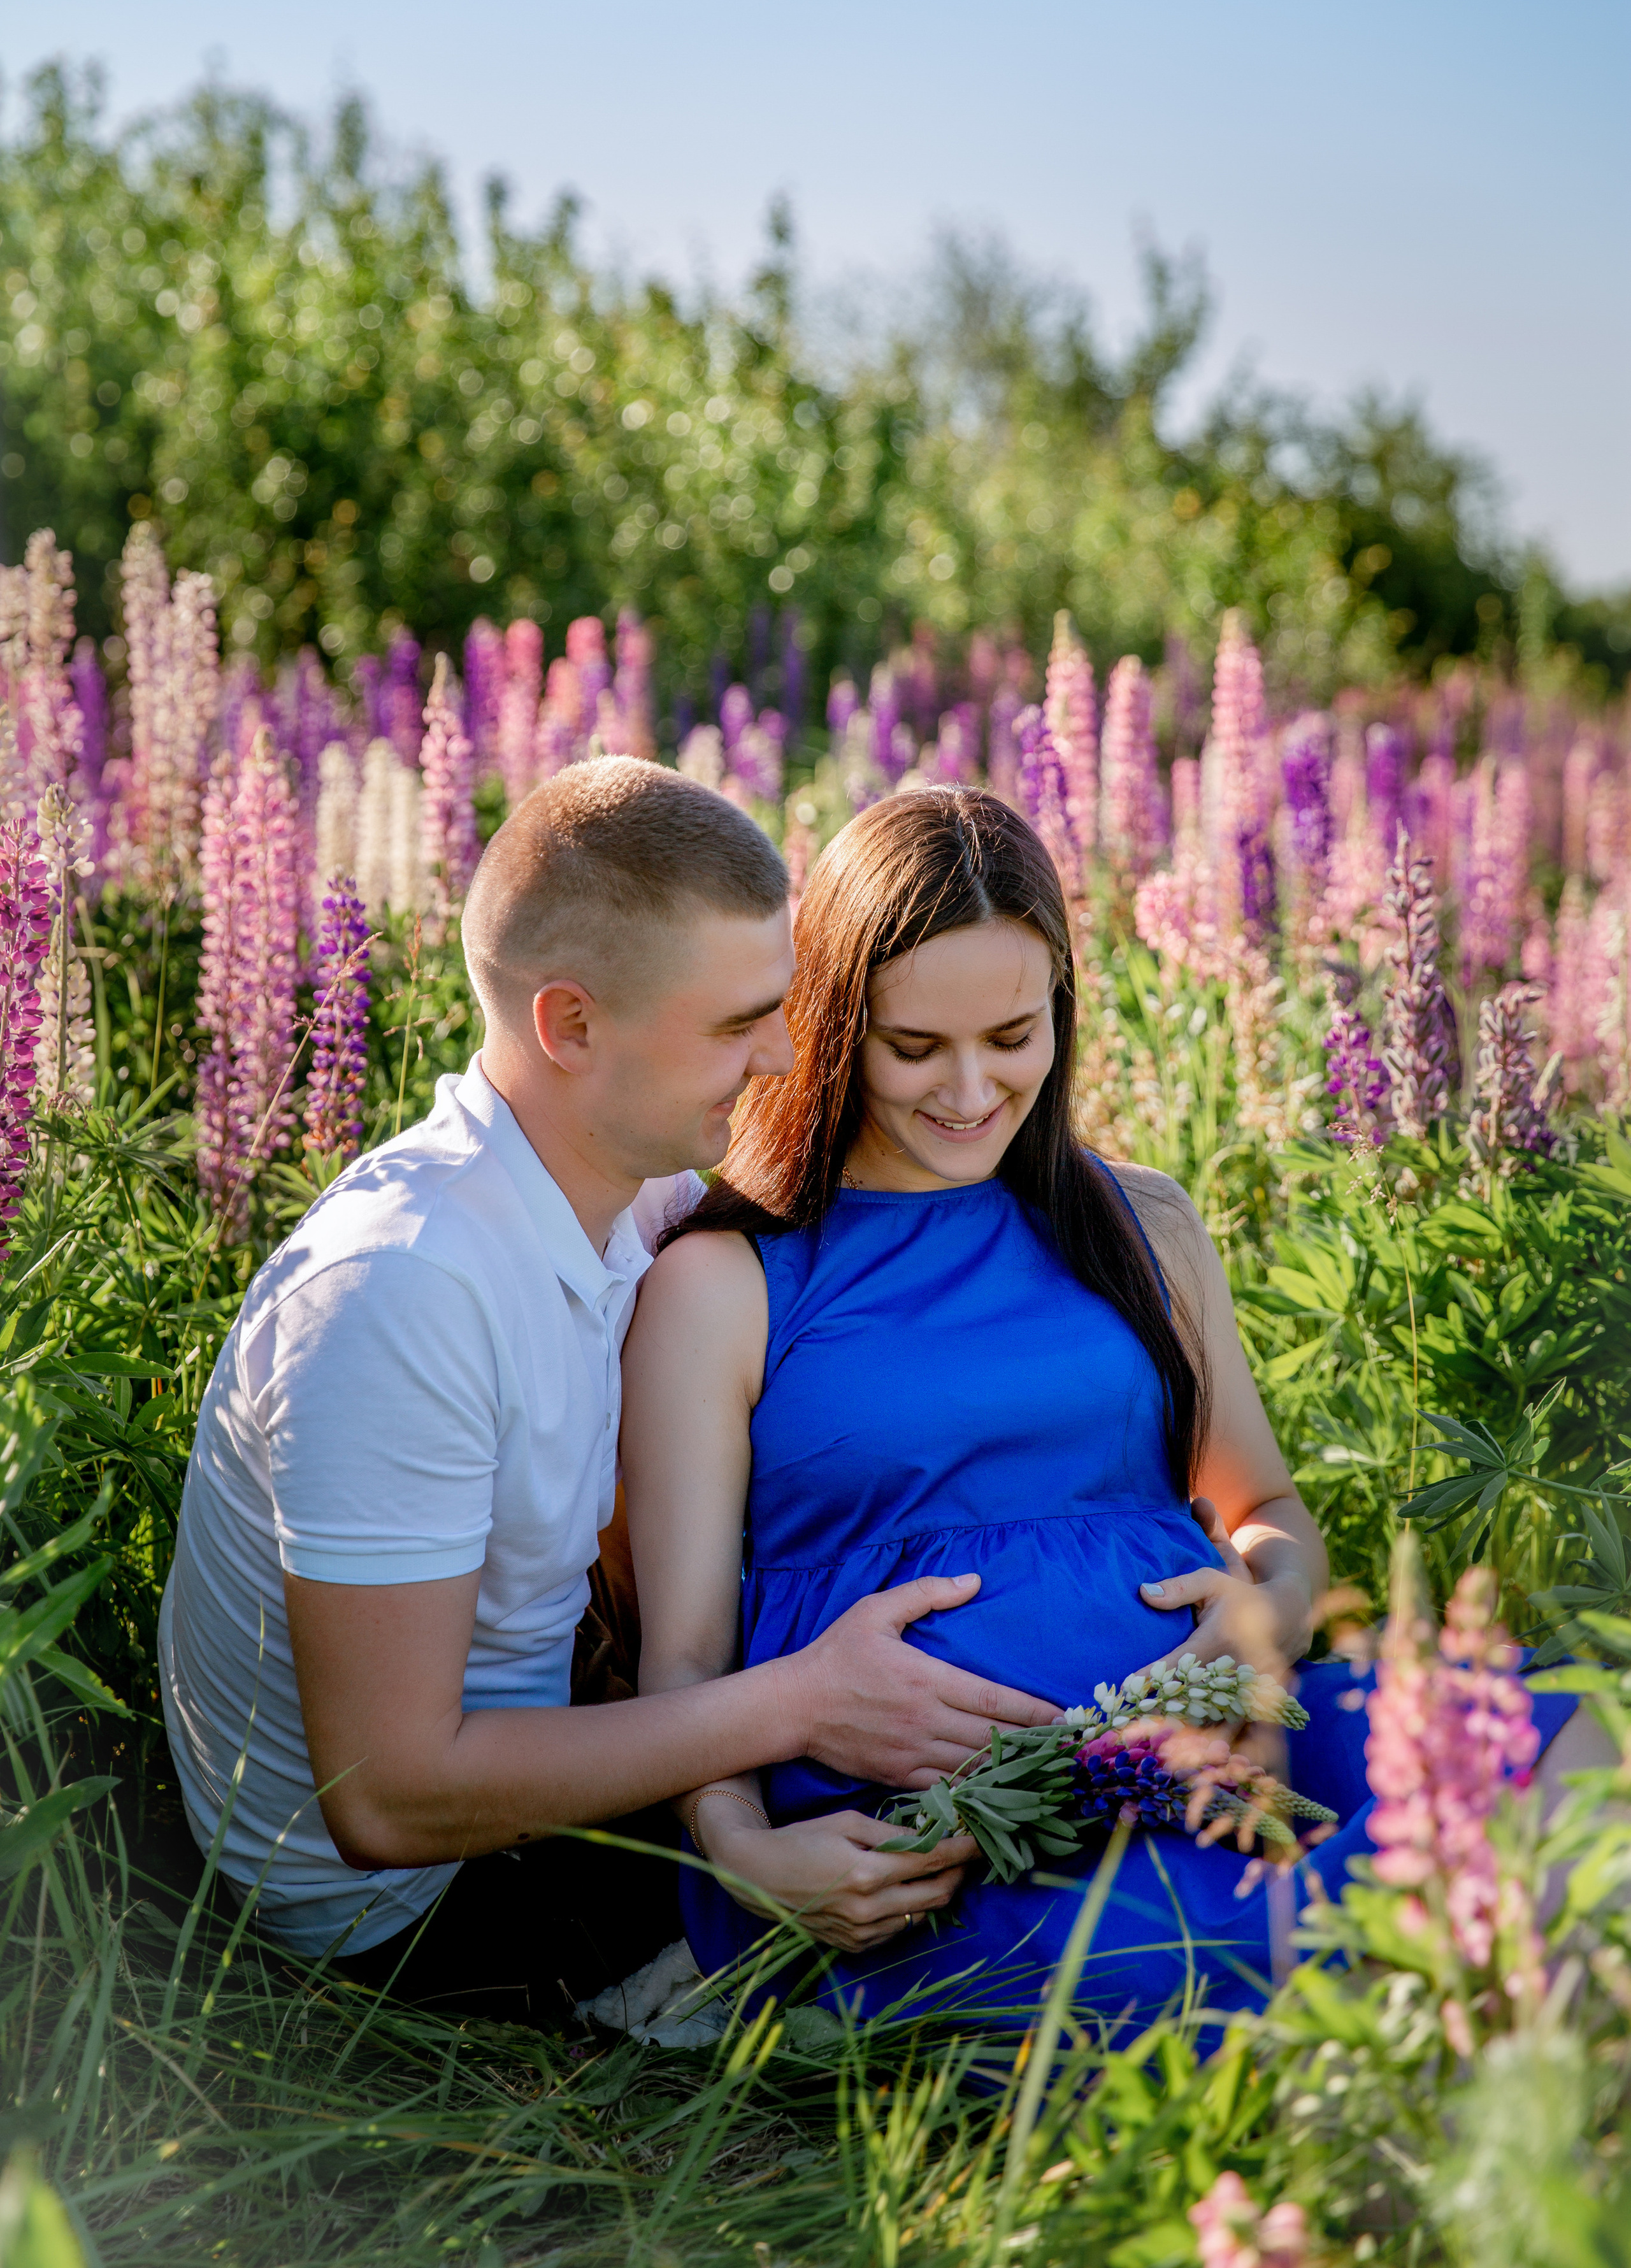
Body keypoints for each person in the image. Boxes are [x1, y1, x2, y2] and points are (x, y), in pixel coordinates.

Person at [622, 786, 1583, 2028]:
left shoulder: (1140, 1224)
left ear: (1061, 1011)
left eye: (1011, 1035)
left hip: (1223, 1741)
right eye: (915, 1046)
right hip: (937, 1837)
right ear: (832, 1023)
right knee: (1245, 1949)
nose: (970, 1087)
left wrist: (1263, 1615)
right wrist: (741, 1851)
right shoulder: (731, 1280)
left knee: (1577, 1752)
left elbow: (1267, 1510)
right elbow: (684, 1661)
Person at [159, 760, 1060, 2027]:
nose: (783, 1054)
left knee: (980, 1802)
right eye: (736, 1025)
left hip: (531, 1762)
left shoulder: (631, 1193)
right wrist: (799, 1703)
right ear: (571, 1027)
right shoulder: (400, 1294)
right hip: (405, 1911)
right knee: (945, 1884)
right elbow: (387, 1799)